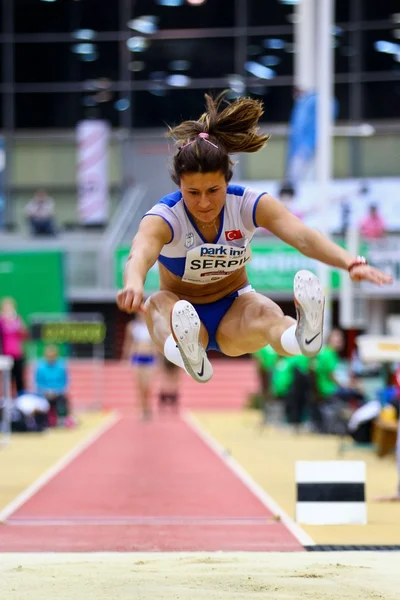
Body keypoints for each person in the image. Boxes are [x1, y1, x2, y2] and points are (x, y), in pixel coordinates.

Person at [116, 93, 392, 384]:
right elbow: (140, 253)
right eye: (192, 193)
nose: (204, 203)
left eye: (213, 190)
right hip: (181, 310)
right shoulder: (165, 217)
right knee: (159, 305)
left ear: (227, 180)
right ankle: (188, 352)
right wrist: (133, 283)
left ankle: (302, 336)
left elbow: (303, 237)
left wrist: (351, 262)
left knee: (265, 313)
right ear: (179, 186)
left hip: (234, 308)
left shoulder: (249, 204)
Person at [122, 311, 157, 420]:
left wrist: (158, 361)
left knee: (148, 387)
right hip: (137, 357)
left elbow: (156, 344)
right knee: (140, 387)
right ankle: (142, 410)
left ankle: (148, 408)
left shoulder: (152, 326)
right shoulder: (132, 326)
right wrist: (125, 358)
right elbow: (128, 342)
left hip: (149, 358)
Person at [35, 344, 72, 427]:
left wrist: (57, 392)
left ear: (56, 356)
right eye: (49, 356)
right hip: (45, 393)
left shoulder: (61, 366)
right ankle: (43, 420)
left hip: (58, 393)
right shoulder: (40, 367)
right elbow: (37, 383)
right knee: (39, 401)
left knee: (62, 399)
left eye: (52, 356)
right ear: (46, 356)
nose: (51, 357)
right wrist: (46, 391)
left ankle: (62, 420)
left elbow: (66, 382)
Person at [0, 297, 28, 395]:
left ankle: (21, 399)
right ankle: (8, 399)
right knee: (7, 379)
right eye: (6, 307)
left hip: (18, 354)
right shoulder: (1, 320)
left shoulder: (18, 320)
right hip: (6, 354)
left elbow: (24, 335)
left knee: (19, 379)